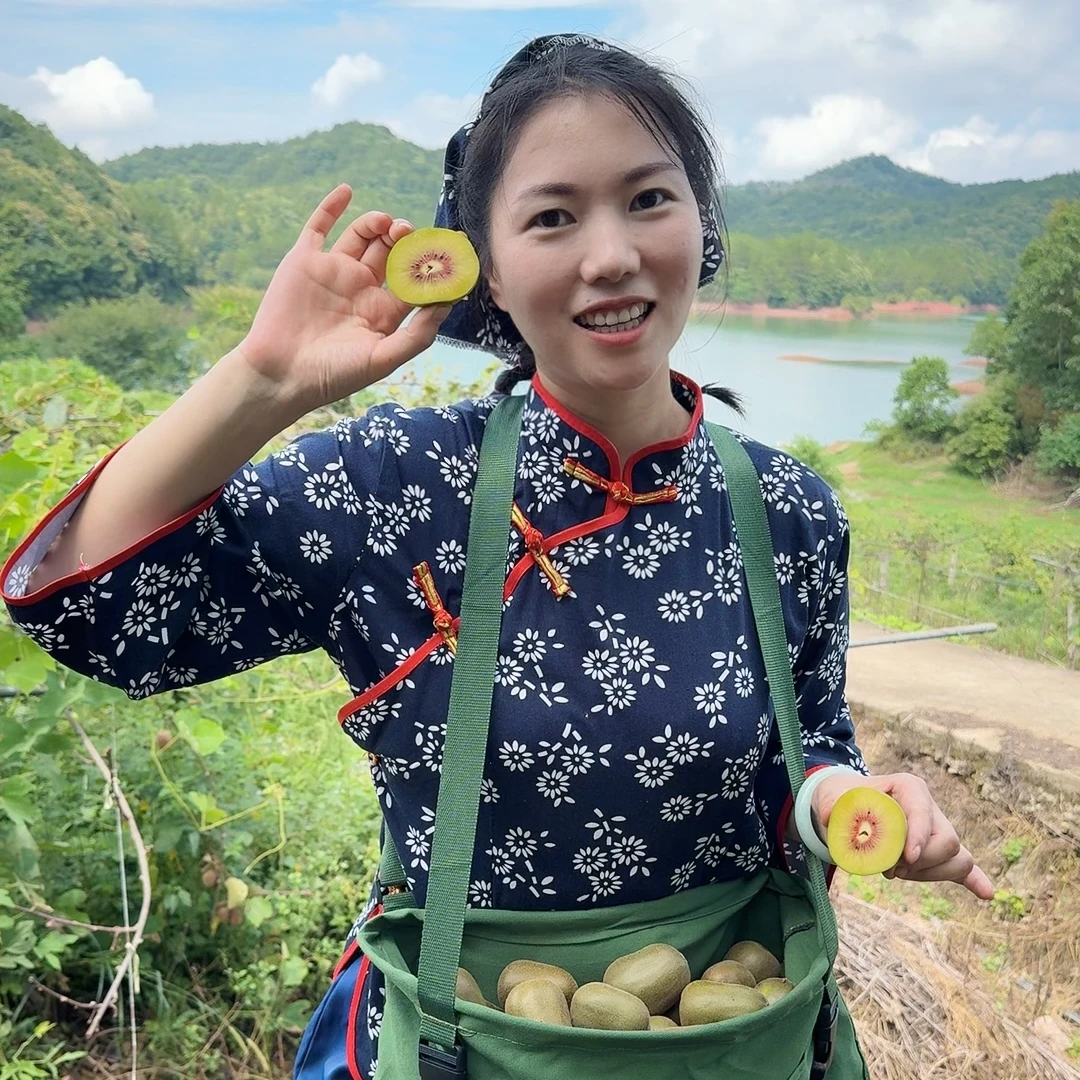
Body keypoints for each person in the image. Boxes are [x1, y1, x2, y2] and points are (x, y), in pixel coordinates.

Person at [2, 33, 993, 1080]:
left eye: (650, 199)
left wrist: (845, 801)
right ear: (487, 263)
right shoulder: (395, 487)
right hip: (463, 1037)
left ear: (700, 226)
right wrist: (265, 378)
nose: (610, 254)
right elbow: (92, 606)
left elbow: (812, 747)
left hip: (723, 1040)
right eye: (554, 216)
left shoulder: (787, 508)